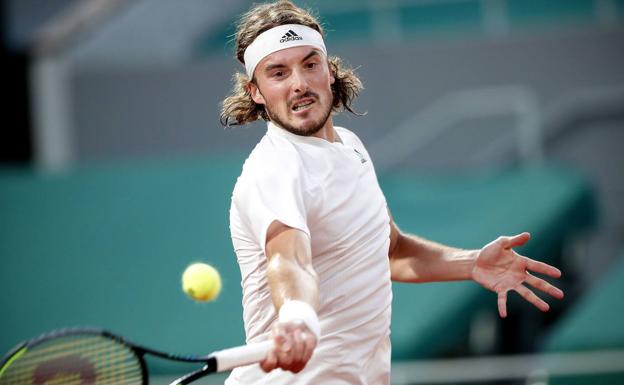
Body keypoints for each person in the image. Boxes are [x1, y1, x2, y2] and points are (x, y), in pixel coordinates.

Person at [220, 1, 564, 384]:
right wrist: (296, 317)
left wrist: (470, 263)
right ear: (255, 92)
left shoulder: (349, 147)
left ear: (329, 72)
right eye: (278, 73)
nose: (299, 82)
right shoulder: (274, 169)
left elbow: (391, 252)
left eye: (310, 64)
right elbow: (289, 260)